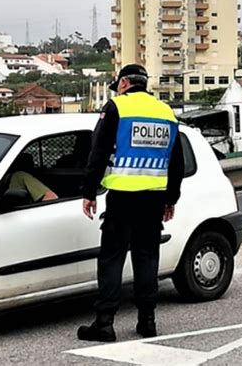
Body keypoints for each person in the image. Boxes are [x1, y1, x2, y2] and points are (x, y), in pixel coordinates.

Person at [77, 64, 184, 342]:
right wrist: (171, 198)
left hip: (122, 197)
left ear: (124, 83)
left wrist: (88, 191)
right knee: (147, 256)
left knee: (112, 258)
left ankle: (105, 323)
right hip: (154, 197)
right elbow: (177, 161)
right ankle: (147, 320)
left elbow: (99, 151)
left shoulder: (117, 108)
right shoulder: (166, 112)